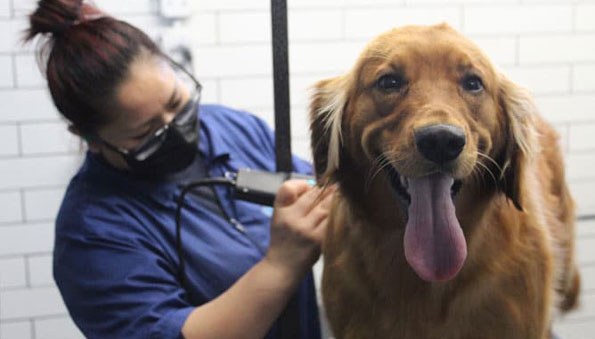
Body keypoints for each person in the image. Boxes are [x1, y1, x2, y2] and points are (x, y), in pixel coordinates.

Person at [25, 1, 334, 338]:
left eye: (176, 102)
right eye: (145, 133)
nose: (175, 126)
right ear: (91, 139)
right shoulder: (92, 234)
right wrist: (282, 264)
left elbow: (330, 193)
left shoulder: (231, 127)